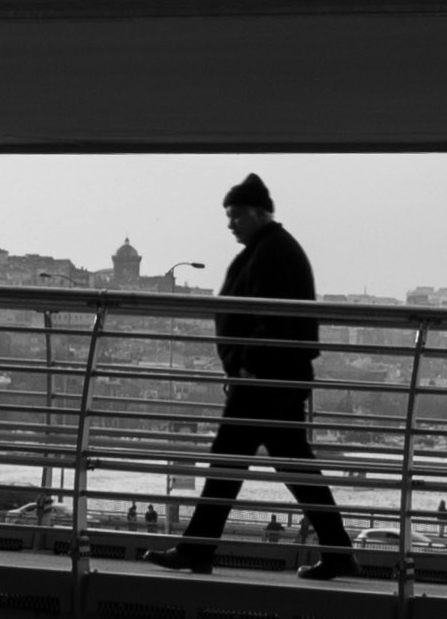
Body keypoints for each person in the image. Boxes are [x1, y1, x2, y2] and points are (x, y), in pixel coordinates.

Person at [147, 174, 356, 578]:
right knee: (294, 464)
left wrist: (246, 365)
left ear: (260, 213)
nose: (231, 224)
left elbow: (268, 319)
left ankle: (197, 549)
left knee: (227, 462)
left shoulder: (271, 252)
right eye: (229, 215)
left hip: (263, 380)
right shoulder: (272, 248)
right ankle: (338, 551)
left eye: (237, 215)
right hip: (277, 377)